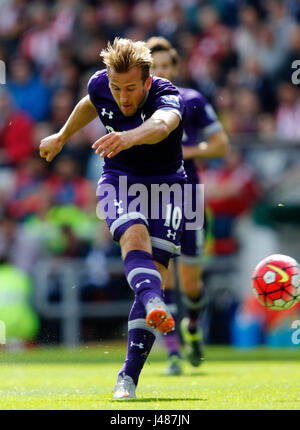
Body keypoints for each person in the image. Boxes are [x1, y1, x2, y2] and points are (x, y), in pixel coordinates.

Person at [39, 38, 187, 399]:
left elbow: (163, 126)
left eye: (131, 88)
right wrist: (62, 135)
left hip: (169, 186)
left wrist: (127, 137)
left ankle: (128, 376)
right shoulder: (100, 84)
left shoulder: (167, 94)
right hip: (118, 181)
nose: (122, 97)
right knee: (133, 237)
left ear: (147, 83)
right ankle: (154, 301)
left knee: (157, 271)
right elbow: (91, 103)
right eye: (117, 87)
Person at [146, 37, 229, 375]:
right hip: (152, 198)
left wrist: (184, 152)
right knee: (158, 278)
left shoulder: (191, 101)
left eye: (166, 66)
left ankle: (192, 326)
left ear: (175, 69)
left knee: (191, 284)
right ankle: (172, 354)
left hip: (190, 198)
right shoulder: (139, 104)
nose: (161, 71)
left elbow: (221, 145)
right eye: (155, 67)